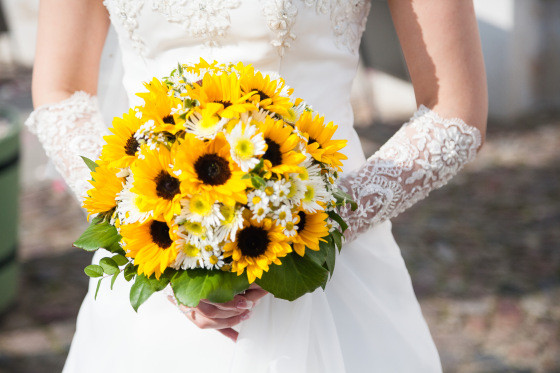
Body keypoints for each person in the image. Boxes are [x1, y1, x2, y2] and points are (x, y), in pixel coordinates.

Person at [26, 0, 487, 372]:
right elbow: (60, 93)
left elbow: (455, 109)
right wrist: (146, 230)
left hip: (329, 258)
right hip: (153, 248)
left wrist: (316, 224)